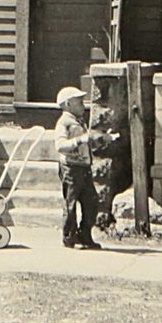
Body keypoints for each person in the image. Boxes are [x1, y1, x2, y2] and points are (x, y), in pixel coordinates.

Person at [53, 85, 102, 250]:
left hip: (84, 167)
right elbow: (60, 145)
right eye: (79, 102)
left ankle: (85, 234)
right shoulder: (64, 123)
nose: (83, 106)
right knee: (71, 203)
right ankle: (69, 236)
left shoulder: (79, 121)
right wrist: (80, 140)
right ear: (67, 104)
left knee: (91, 202)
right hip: (71, 168)